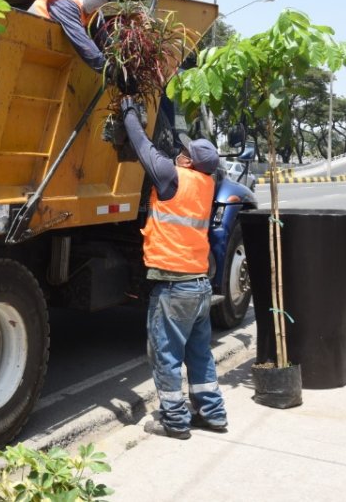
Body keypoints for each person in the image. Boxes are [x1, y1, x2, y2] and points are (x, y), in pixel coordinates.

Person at [120, 96, 228, 440]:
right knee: (199, 355)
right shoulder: (206, 184)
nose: (178, 153)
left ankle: (175, 421)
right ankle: (212, 413)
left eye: (184, 152)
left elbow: (142, 144)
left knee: (165, 355)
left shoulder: (172, 177)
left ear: (187, 161)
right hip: (198, 286)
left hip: (174, 288)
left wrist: (129, 112)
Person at [28, 0, 121, 73]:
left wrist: (123, 66)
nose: (103, 0)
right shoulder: (64, 1)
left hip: (49, 63)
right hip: (30, 52)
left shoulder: (93, 12)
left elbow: (104, 41)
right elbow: (81, 41)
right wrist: (109, 70)